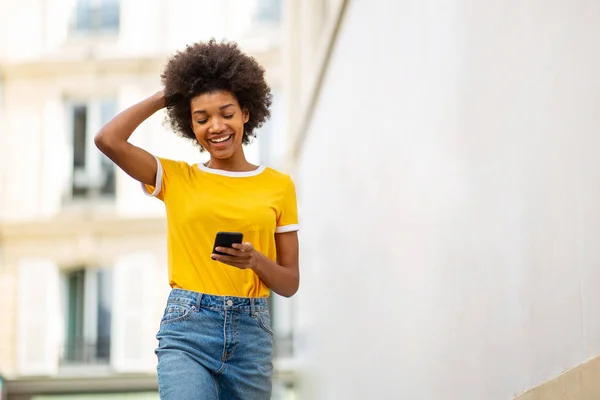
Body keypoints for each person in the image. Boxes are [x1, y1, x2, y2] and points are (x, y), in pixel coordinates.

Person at [95, 39, 300, 400]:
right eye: (201, 118)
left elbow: (289, 283)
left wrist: (254, 260)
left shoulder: (278, 186)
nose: (216, 126)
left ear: (246, 113)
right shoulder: (176, 178)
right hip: (187, 328)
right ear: (189, 124)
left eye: (227, 113)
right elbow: (108, 139)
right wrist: (169, 94)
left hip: (251, 335)